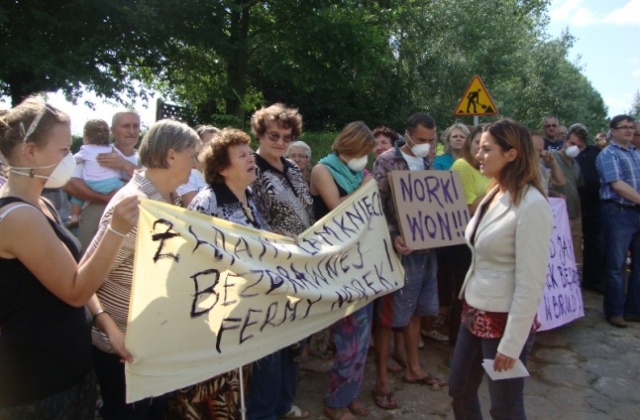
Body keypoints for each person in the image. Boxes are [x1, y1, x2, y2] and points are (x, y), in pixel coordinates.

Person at [0, 97, 138, 418]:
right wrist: (115, 230)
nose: (69, 160)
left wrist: (105, 323)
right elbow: (75, 290)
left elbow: (72, 272)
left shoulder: (40, 204)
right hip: (37, 386)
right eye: (63, 151)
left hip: (68, 372)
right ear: (30, 152)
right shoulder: (18, 216)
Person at [86, 119, 199, 419]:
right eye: (193, 155)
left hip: (153, 344)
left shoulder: (169, 202)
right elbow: (86, 277)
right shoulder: (132, 206)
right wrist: (110, 330)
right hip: (124, 351)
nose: (197, 164)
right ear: (172, 156)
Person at [448, 118, 553, 419]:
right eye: (478, 148)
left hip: (504, 320)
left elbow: (531, 282)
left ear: (512, 154)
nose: (478, 155)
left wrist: (512, 343)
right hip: (474, 309)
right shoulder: (495, 192)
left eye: (486, 149)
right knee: (459, 389)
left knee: (504, 406)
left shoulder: (533, 205)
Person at [183, 128, 266, 419]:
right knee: (213, 394)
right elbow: (193, 255)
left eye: (250, 152)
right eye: (242, 155)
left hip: (245, 309)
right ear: (223, 168)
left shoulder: (251, 197)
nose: (251, 158)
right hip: (215, 313)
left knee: (239, 385)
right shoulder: (208, 202)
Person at [373, 113, 446, 410]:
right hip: (400, 252)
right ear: (407, 135)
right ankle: (380, 380)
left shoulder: (429, 161)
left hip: (428, 251)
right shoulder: (387, 161)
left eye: (432, 141)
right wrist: (392, 236)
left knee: (416, 310)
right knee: (389, 316)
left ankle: (414, 368)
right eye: (421, 140)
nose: (427, 146)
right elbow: (374, 206)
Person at [248, 103, 313, 419]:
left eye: (287, 137)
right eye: (274, 135)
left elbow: (307, 211)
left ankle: (284, 404)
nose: (281, 142)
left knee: (294, 343)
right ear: (259, 133)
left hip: (300, 267)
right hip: (268, 267)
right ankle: (264, 412)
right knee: (270, 347)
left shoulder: (294, 168)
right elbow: (248, 219)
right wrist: (273, 234)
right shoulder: (252, 169)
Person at [310, 121, 374, 420]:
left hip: (360, 261)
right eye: (363, 151)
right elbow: (336, 208)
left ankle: (349, 395)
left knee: (361, 336)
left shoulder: (357, 172)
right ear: (348, 146)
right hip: (334, 264)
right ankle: (336, 402)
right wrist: (363, 189)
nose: (366, 158)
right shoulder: (323, 170)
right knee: (349, 335)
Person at [442, 125, 491, 353]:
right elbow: (470, 206)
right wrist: (498, 188)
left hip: (485, 239)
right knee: (463, 294)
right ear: (469, 145)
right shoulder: (462, 166)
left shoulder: (485, 170)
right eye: (477, 144)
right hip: (464, 241)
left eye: (487, 146)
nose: (481, 150)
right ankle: (457, 345)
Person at [64, 110, 141, 251]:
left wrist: (126, 165)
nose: (131, 131)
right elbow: (69, 182)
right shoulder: (95, 152)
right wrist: (103, 198)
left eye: (135, 126)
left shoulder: (145, 159)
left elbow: (152, 188)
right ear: (112, 131)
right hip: (94, 219)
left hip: (131, 225)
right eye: (126, 126)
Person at [595, 114, 640, 328]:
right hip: (618, 212)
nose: (629, 131)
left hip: (637, 212)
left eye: (631, 127)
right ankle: (615, 312)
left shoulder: (636, 154)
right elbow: (617, 185)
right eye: (624, 127)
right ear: (612, 130)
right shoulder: (608, 154)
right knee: (616, 265)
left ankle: (634, 310)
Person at [67, 119, 125, 227]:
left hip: (91, 184)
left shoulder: (86, 149)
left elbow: (73, 160)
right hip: (111, 185)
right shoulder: (111, 149)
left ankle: (74, 216)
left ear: (86, 138)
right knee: (127, 187)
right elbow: (121, 159)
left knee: (78, 197)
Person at [550, 124, 585, 267]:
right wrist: (554, 193)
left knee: (573, 257)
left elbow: (577, 192)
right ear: (565, 141)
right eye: (572, 143)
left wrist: (579, 218)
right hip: (555, 216)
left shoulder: (576, 165)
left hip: (574, 216)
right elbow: (540, 185)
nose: (575, 147)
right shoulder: (550, 159)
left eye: (579, 145)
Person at [575, 126, 604, 293]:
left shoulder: (596, 152)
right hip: (573, 207)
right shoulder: (566, 154)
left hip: (594, 205)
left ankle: (591, 280)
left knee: (595, 245)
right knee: (574, 246)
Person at [531, 130, 566, 195]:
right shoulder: (518, 171)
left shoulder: (540, 168)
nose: (542, 153)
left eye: (542, 150)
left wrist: (553, 162)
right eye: (538, 151)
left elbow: (561, 182)